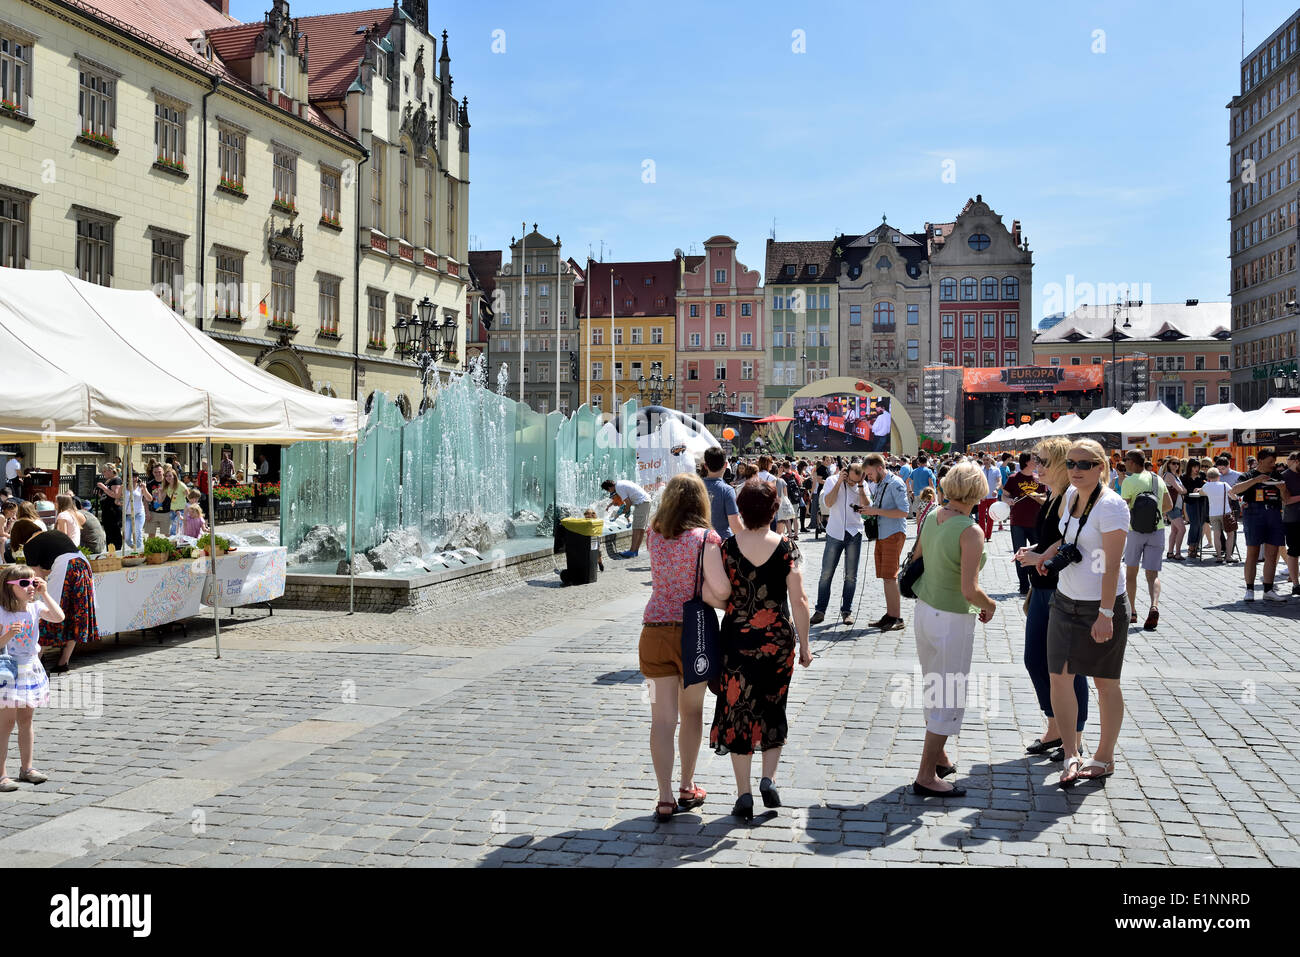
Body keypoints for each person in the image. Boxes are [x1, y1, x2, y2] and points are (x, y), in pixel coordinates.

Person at [1023, 439, 1131, 786]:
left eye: (1084, 464)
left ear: (1101, 467)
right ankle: (1071, 752)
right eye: (1071, 463)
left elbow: (1112, 565)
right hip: (1064, 600)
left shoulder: (1112, 506)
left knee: (1105, 683)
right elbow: (1067, 542)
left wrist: (1105, 613)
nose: (1076, 470)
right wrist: (1044, 556)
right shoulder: (1070, 496)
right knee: (1060, 677)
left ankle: (1104, 757)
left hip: (1099, 606)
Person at [709, 478, 811, 820]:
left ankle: (744, 794)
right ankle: (769, 778)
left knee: (739, 710)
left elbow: (716, 594)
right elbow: (799, 600)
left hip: (738, 640)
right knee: (773, 705)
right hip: (778, 641)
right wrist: (806, 645)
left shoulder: (726, 548)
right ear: (771, 511)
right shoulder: (786, 548)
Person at [639, 473, 729, 822]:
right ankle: (687, 786)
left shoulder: (653, 535)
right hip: (695, 634)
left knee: (661, 720)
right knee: (691, 713)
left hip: (654, 631)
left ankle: (664, 798)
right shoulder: (707, 539)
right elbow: (720, 590)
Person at [908, 461, 995, 797]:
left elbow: (919, 556)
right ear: (978, 491)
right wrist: (991, 604)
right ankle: (927, 775)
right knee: (948, 693)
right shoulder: (970, 530)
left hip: (925, 609)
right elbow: (969, 590)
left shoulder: (932, 516)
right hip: (952, 617)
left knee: (933, 685)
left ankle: (939, 757)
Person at [1015, 437, 1089, 764]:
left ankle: (1075, 733)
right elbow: (1052, 539)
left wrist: (1040, 555)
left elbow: (1071, 540)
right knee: (1036, 660)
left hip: (1062, 589)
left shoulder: (1068, 497)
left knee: (1069, 665)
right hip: (1043, 588)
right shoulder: (1053, 496)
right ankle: (1055, 725)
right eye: (1036, 460)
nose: (1037, 466)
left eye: (1043, 461)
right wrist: (1033, 553)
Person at [0, 564, 64, 790]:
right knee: (5, 724)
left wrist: (45, 592)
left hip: (29, 668)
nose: (30, 587)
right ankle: (1, 774)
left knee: (26, 721)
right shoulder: (2, 612)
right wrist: (8, 635)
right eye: (24, 583)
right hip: (8, 670)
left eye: (33, 582)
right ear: (9, 587)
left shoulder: (35, 607)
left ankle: (27, 768)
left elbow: (59, 617)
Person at [7, 521, 98, 674]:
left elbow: (37, 577)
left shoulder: (31, 545)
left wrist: (31, 600)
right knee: (75, 614)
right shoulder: (54, 534)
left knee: (48, 613)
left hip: (66, 569)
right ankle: (64, 661)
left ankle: (36, 659)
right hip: (83, 565)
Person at [1119, 450, 1171, 631]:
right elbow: (1169, 505)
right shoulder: (1158, 479)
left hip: (1135, 531)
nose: (1124, 463)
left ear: (1133, 462)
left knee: (1131, 574)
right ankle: (1154, 605)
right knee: (1153, 575)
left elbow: (1123, 507)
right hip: (1157, 530)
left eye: (1125, 460)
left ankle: (1132, 611)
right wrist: (1155, 512)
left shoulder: (1129, 481)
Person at [812, 459, 867, 627]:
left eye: (855, 480)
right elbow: (828, 503)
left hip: (854, 533)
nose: (852, 483)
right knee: (826, 574)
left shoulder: (860, 485)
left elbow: (866, 506)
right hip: (835, 532)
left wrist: (860, 487)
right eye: (850, 479)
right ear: (844, 472)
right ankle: (820, 610)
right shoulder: (831, 481)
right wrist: (840, 483)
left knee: (851, 576)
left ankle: (846, 611)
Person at [860, 452, 910, 632]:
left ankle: (897, 617)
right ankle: (890, 614)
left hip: (893, 533)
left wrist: (877, 512)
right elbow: (880, 507)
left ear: (880, 468)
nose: (869, 477)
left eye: (871, 473)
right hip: (883, 533)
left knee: (891, 576)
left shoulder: (895, 483)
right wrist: (868, 510)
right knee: (886, 577)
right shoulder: (881, 483)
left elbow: (904, 511)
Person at [1232, 449, 1289, 603]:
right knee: (1253, 552)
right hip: (1254, 513)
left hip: (1274, 513)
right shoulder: (1248, 475)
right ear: (1261, 460)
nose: (1273, 465)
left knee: (1272, 553)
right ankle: (1249, 589)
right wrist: (1256, 481)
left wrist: (1283, 490)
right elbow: (1235, 490)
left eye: (1274, 461)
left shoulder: (1277, 475)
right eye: (1270, 461)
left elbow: (1287, 499)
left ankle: (1268, 590)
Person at [1003, 452, 1045, 596]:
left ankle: (1035, 582)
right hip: (1018, 522)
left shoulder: (1039, 479)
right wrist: (1007, 501)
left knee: (1037, 552)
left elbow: (1045, 499)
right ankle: (1023, 585)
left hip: (1036, 522)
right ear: (1027, 462)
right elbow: (1005, 495)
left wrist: (1038, 498)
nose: (1037, 462)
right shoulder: (1013, 478)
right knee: (1019, 553)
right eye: (1034, 460)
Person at [701, 448, 741, 541]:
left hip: (699, 542)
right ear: (725, 465)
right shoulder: (727, 490)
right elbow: (734, 524)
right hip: (721, 541)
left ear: (706, 466)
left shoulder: (695, 487)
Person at [1203, 467, 1235, 565]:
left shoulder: (1206, 486)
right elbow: (1233, 496)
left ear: (1208, 477)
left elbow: (1201, 493)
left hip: (1213, 514)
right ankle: (1228, 556)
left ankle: (1219, 556)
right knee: (1230, 535)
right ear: (1218, 476)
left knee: (1216, 536)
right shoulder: (1224, 485)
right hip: (1225, 513)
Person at [1281, 451, 1300, 596]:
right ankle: (1295, 584)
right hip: (1292, 519)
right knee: (1293, 551)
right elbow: (1286, 500)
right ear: (1297, 461)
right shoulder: (1285, 477)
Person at [1181, 459, 1208, 561]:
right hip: (1191, 502)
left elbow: (1206, 486)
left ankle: (1196, 546)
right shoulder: (1184, 476)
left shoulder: (1202, 475)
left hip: (1201, 502)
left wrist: (1200, 489)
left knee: (1201, 524)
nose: (1196, 469)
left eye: (1197, 466)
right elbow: (1184, 491)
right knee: (1194, 524)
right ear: (1190, 467)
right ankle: (1191, 546)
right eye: (1194, 467)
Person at [1161, 458, 1187, 560]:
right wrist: (1183, 490)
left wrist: (1183, 490)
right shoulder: (1169, 475)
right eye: (1173, 463)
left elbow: (1182, 489)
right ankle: (1178, 553)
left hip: (1176, 505)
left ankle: (1170, 552)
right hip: (1172, 506)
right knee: (1182, 529)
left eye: (1178, 463)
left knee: (1174, 530)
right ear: (1168, 464)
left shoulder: (1175, 476)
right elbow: (1181, 490)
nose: (1176, 465)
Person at [95, 464, 123, 551]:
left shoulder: (116, 480)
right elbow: (105, 495)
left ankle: (116, 550)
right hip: (106, 510)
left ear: (111, 471)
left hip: (113, 510)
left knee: (114, 532)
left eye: (104, 471)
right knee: (108, 533)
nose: (103, 473)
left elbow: (116, 495)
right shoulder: (108, 481)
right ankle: (110, 551)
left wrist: (103, 487)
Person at [145, 464, 170, 539]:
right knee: (151, 535)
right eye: (155, 472)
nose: (157, 474)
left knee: (168, 535)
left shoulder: (168, 483)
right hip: (153, 512)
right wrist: (147, 512)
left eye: (159, 471)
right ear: (152, 473)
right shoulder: (149, 484)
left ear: (163, 472)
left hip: (167, 512)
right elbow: (145, 499)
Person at [164, 468, 189, 537]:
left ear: (174, 476)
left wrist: (192, 507)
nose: (167, 477)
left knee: (174, 530)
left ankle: (172, 542)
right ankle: (177, 543)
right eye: (166, 476)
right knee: (177, 529)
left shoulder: (180, 485)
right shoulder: (167, 486)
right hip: (172, 510)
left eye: (170, 476)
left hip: (181, 510)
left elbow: (188, 496)